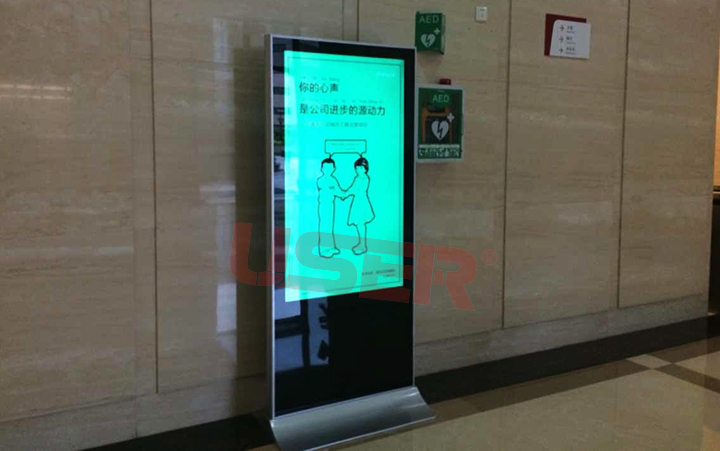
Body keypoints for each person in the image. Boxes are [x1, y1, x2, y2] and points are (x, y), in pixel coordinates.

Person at [344, 157, 375, 255]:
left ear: (365, 169)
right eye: (357, 168)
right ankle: (361, 243)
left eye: (361, 168)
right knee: (358, 224)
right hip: (357, 202)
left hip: (362, 203)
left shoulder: (365, 178)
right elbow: (352, 188)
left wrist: (348, 193)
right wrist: (345, 193)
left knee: (361, 224)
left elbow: (360, 190)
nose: (358, 170)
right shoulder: (357, 178)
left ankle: (363, 245)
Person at [316, 158, 346, 258]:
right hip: (324, 205)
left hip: (330, 205)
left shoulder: (333, 179)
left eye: (330, 168)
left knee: (329, 226)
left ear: (333, 169)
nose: (327, 170)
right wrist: (340, 193)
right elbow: (333, 190)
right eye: (325, 168)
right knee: (324, 226)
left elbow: (338, 190)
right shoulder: (321, 180)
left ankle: (331, 247)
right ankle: (323, 250)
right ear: (321, 169)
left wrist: (344, 193)